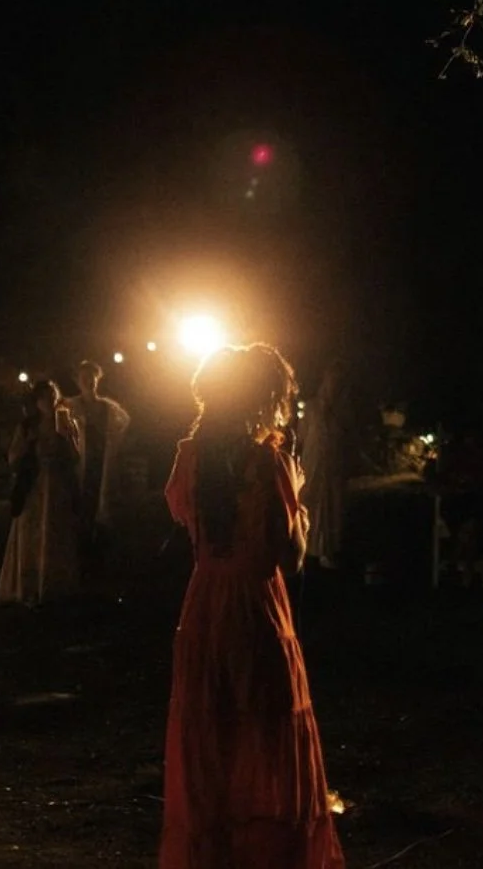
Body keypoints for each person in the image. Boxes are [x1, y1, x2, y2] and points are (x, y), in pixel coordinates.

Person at [160, 343, 345, 869]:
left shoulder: (190, 456)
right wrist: (300, 513)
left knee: (212, 730)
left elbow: (186, 519)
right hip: (255, 611)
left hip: (204, 606)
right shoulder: (268, 463)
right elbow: (286, 557)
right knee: (262, 730)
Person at [0, 378, 81, 607]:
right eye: (45, 397)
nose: (49, 401)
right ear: (37, 401)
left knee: (54, 531)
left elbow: (76, 458)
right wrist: (28, 443)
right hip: (34, 485)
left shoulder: (65, 421)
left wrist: (68, 437)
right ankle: (30, 586)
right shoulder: (28, 426)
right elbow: (13, 459)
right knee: (32, 532)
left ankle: (55, 584)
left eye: (52, 396)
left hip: (57, 486)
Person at [64, 359, 131, 568]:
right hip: (79, 466)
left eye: (91, 378)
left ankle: (100, 555)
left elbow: (121, 425)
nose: (88, 382)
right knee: (81, 508)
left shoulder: (108, 408)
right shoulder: (70, 406)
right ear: (78, 381)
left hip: (101, 465)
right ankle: (81, 553)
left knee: (102, 508)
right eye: (84, 379)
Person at [298, 360, 351, 568]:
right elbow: (302, 438)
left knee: (331, 509)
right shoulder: (311, 409)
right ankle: (305, 549)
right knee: (310, 507)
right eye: (331, 381)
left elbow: (346, 440)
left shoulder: (342, 413)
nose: (333, 386)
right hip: (313, 467)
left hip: (333, 469)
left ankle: (327, 551)